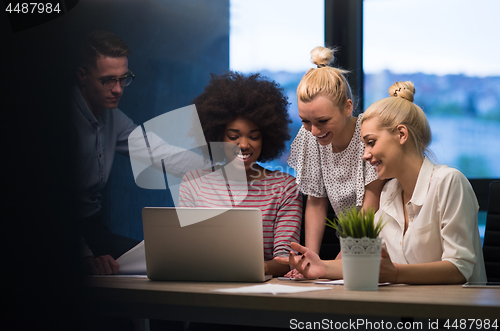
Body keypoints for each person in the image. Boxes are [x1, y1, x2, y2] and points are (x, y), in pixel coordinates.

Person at [280, 81, 487, 284]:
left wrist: (395, 273)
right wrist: (322, 268)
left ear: (401, 134)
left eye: (371, 143)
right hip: (407, 312)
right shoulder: (389, 193)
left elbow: (460, 268)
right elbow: (368, 263)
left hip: (456, 315)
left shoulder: (449, 182)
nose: (365, 154)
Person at [72, 31, 206, 275]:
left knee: (160, 265)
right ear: (82, 75)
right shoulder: (61, 122)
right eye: (108, 80)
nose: (118, 89)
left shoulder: (112, 117)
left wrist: (221, 168)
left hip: (93, 226)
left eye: (124, 79)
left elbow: (159, 153)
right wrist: (83, 255)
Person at [178, 71, 303, 277]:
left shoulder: (285, 188)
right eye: (233, 136)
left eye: (253, 136)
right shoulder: (194, 183)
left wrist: (258, 267)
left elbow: (285, 259)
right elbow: (184, 250)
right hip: (202, 285)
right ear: (217, 136)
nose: (244, 145)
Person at [287, 46, 385, 260]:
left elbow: (373, 198)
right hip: (349, 241)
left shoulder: (367, 133)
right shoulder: (309, 137)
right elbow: (315, 201)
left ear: (348, 108)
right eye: (305, 121)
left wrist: (347, 255)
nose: (314, 131)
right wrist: (310, 258)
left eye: (322, 121)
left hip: (380, 236)